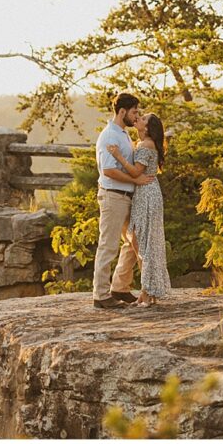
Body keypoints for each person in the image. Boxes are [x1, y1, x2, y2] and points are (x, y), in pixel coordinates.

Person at [92, 93, 155, 309]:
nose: (137, 115)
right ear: (122, 112)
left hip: (127, 196)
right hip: (113, 196)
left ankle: (119, 286)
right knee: (108, 245)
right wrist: (135, 179)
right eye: (134, 112)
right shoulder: (110, 135)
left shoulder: (123, 134)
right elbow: (109, 170)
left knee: (133, 243)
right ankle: (100, 295)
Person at [107, 112, 171, 306]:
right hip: (146, 192)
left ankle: (147, 291)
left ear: (148, 128)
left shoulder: (146, 145)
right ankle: (146, 292)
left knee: (142, 242)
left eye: (143, 119)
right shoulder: (143, 143)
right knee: (141, 241)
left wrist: (118, 155)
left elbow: (135, 171)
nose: (139, 119)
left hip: (146, 194)